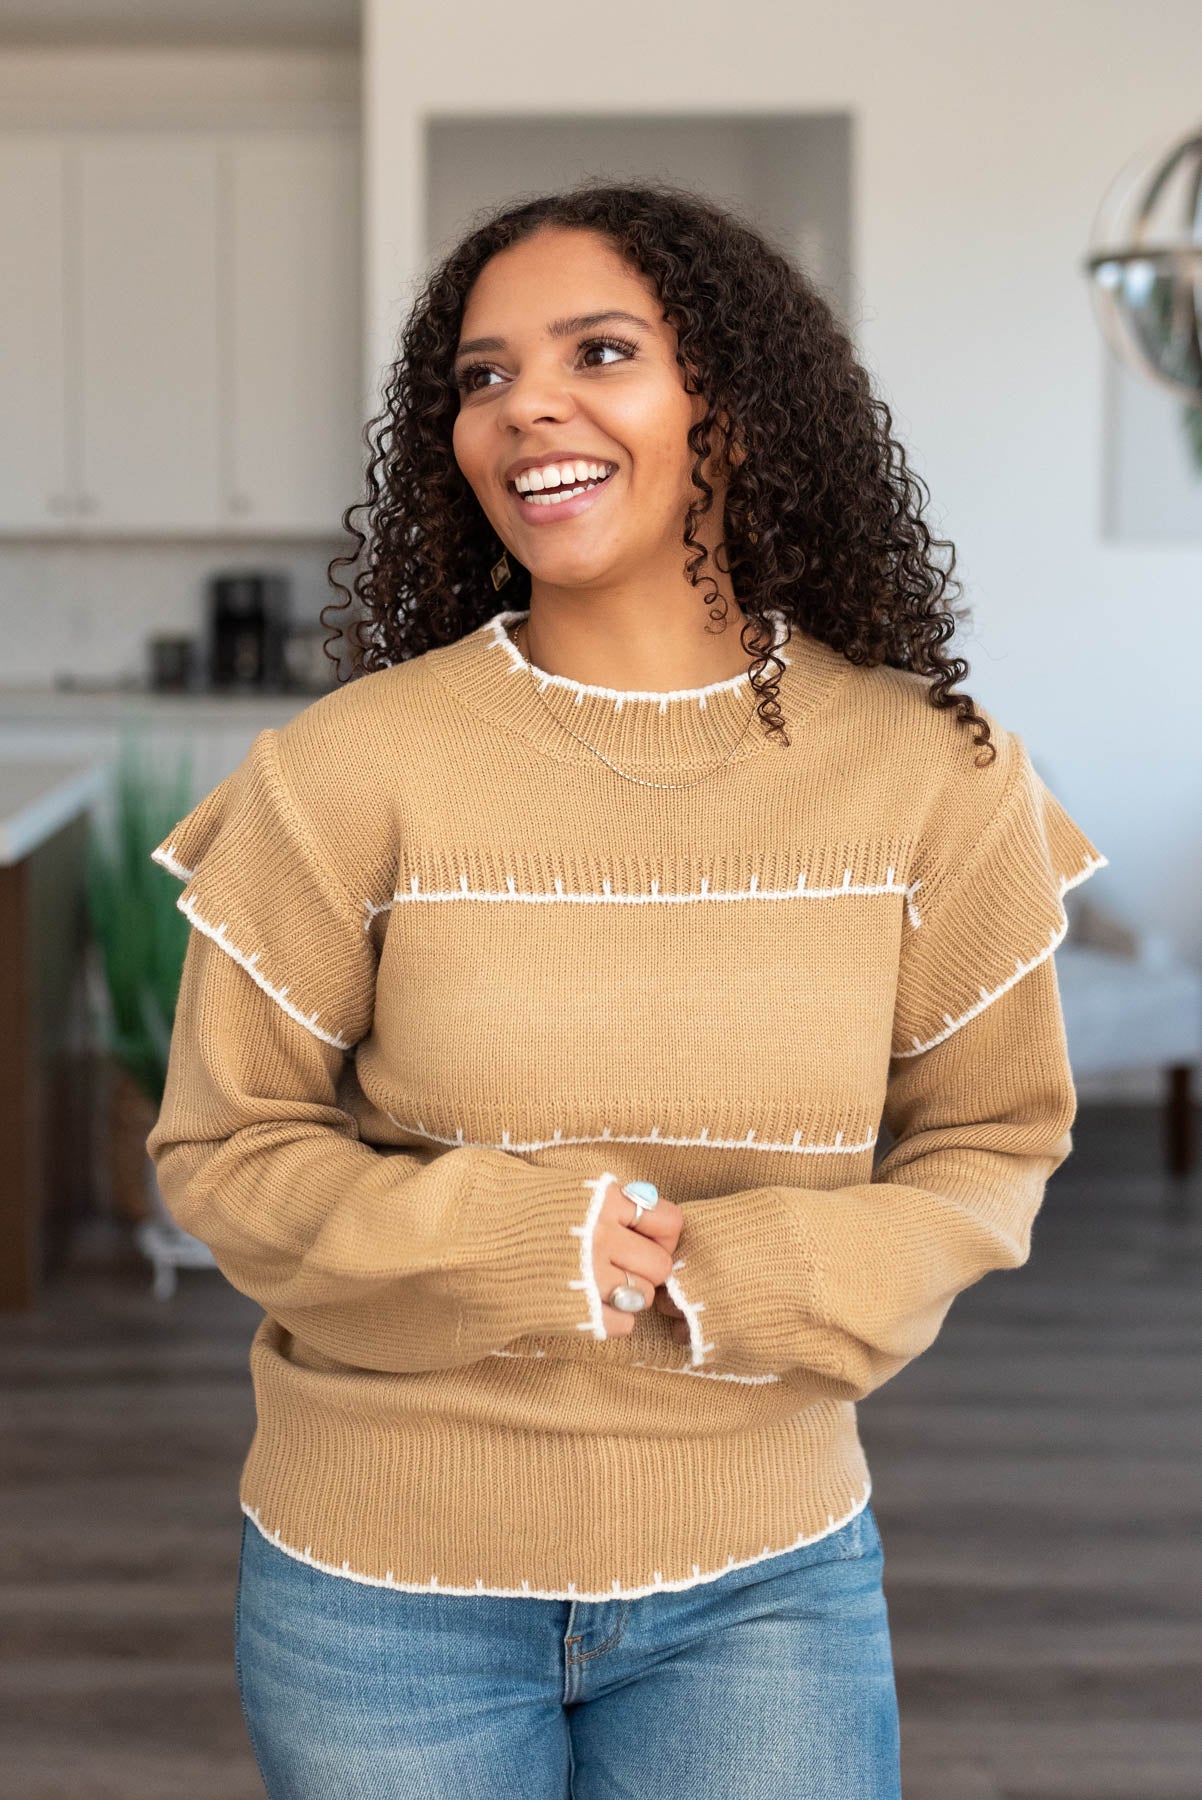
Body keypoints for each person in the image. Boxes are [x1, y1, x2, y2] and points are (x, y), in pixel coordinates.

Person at [147, 181, 1106, 1799]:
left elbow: (991, 1145)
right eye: (479, 376)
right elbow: (223, 1152)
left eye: (599, 351)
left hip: (764, 1573)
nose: (525, 407)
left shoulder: (933, 776)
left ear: (729, 404)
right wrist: (526, 1243)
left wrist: (762, 1267)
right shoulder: (350, 767)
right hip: (381, 1578)